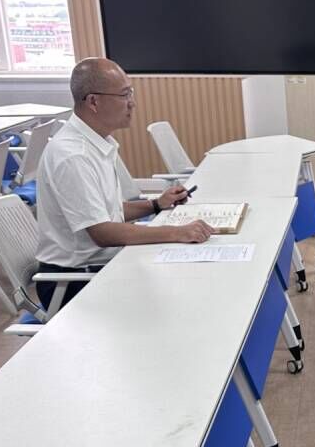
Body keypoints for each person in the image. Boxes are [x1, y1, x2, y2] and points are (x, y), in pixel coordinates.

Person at [34, 57, 213, 309]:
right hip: (73, 282)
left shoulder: (96, 143)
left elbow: (107, 212)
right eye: (124, 94)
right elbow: (103, 232)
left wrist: (156, 205)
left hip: (101, 265)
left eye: (131, 93)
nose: (132, 103)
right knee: (178, 298)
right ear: (93, 101)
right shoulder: (73, 155)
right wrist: (177, 232)